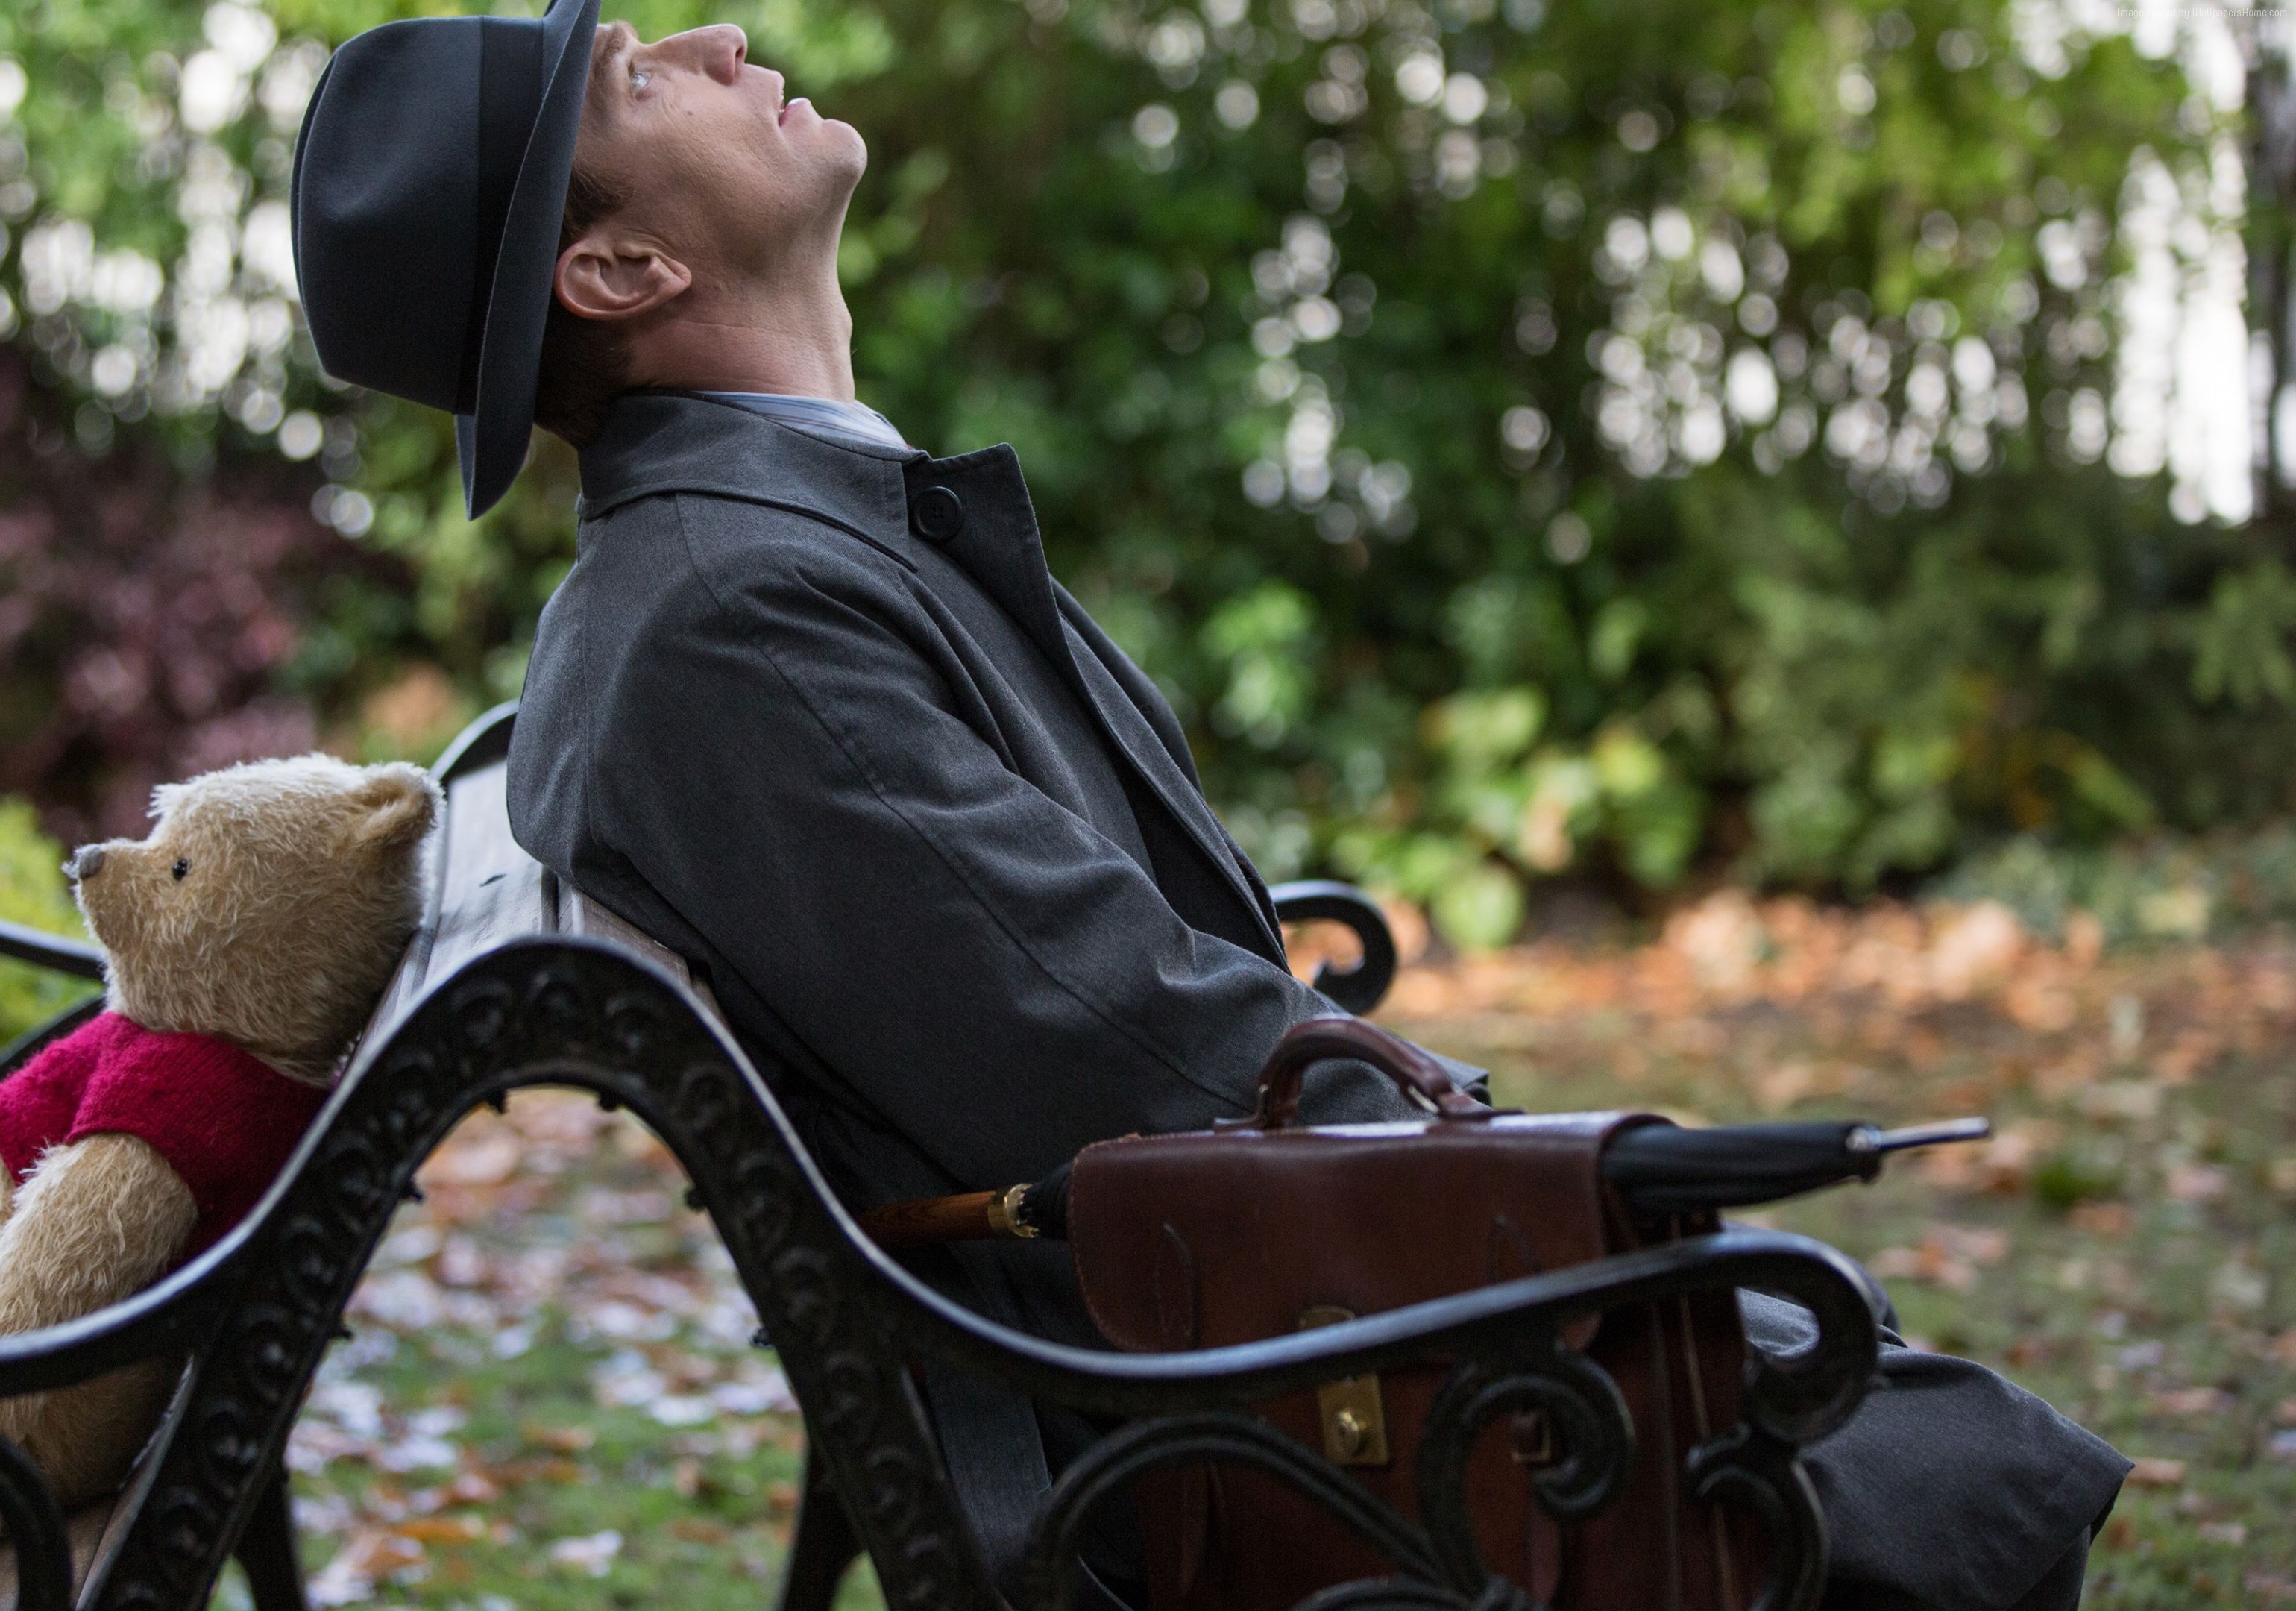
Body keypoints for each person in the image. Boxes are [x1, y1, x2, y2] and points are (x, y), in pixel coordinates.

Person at [285, 6, 2127, 1607]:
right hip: (1215, 1422)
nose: (715, 44)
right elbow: (1126, 1051)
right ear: (617, 272)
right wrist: (1543, 1180)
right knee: (1926, 1457)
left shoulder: (771, 544)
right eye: (639, 78)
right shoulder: (725, 622)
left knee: (1854, 1369)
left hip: (1240, 1319)